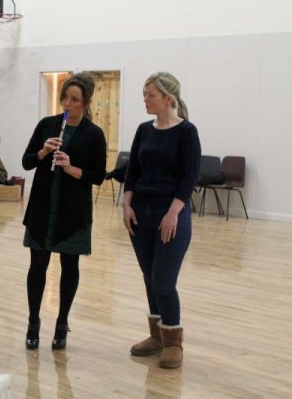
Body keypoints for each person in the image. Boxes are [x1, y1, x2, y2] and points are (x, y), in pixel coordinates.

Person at [22, 73, 107, 351]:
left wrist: (71, 168)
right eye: (65, 99)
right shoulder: (47, 125)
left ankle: (61, 324)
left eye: (75, 100)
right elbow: (25, 162)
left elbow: (97, 176)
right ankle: (33, 322)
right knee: (38, 267)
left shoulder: (94, 134)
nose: (68, 104)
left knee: (70, 267)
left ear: (85, 103)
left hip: (73, 212)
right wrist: (43, 152)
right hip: (43, 209)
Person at [123, 72, 201, 369]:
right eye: (144, 94)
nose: (145, 99)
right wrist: (127, 205)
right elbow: (133, 171)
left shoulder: (187, 132)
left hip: (172, 216)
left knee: (163, 282)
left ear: (168, 98)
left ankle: (172, 342)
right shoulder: (144, 129)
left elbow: (189, 177)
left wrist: (173, 213)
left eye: (150, 94)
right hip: (140, 215)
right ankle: (156, 338)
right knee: (149, 278)